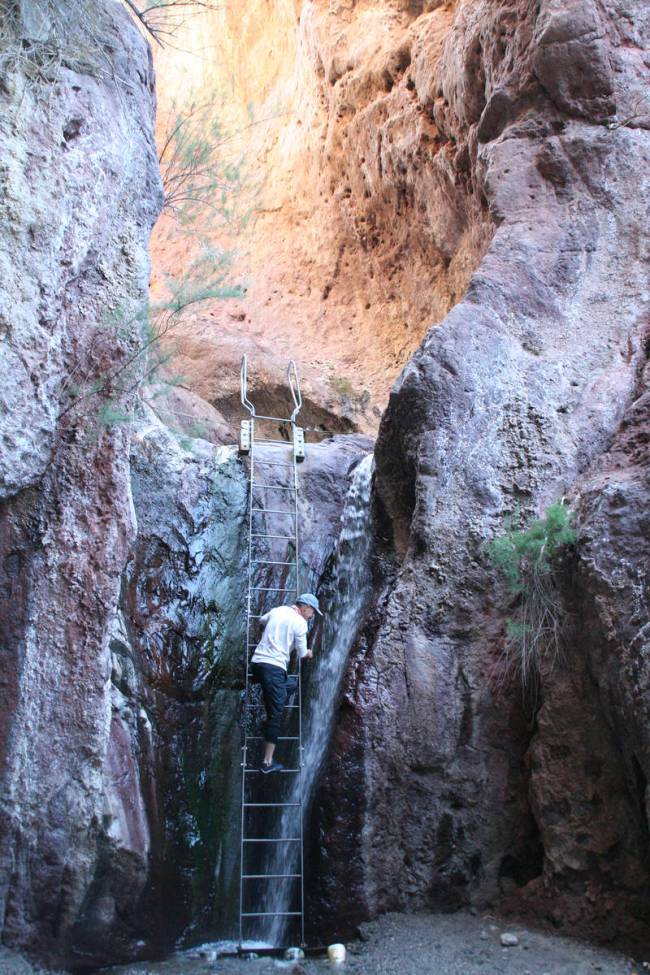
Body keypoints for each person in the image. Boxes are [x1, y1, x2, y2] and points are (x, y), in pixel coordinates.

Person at [250, 593, 322, 773]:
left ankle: (274, 700)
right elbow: (302, 653)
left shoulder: (279, 610)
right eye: (312, 611)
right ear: (305, 607)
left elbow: (261, 620)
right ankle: (267, 763)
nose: (312, 615)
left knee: (291, 685)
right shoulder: (300, 623)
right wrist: (310, 653)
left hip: (257, 664)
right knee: (275, 716)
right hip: (274, 668)